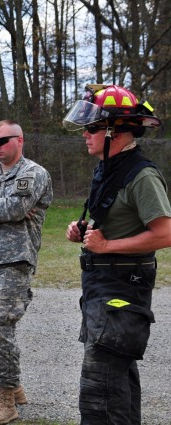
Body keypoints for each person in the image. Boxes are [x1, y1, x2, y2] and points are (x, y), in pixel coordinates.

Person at [63, 84, 171, 424]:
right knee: (116, 378)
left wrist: (107, 246)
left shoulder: (142, 175)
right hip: (102, 285)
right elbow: (115, 217)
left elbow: (165, 233)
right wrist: (83, 229)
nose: (86, 135)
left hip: (123, 288)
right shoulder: (109, 169)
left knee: (100, 391)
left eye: (93, 128)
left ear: (116, 132)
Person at [0, 120, 53, 424]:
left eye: (4, 140)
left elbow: (15, 210)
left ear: (19, 140)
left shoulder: (33, 173)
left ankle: (7, 400)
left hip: (16, 261)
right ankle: (15, 387)